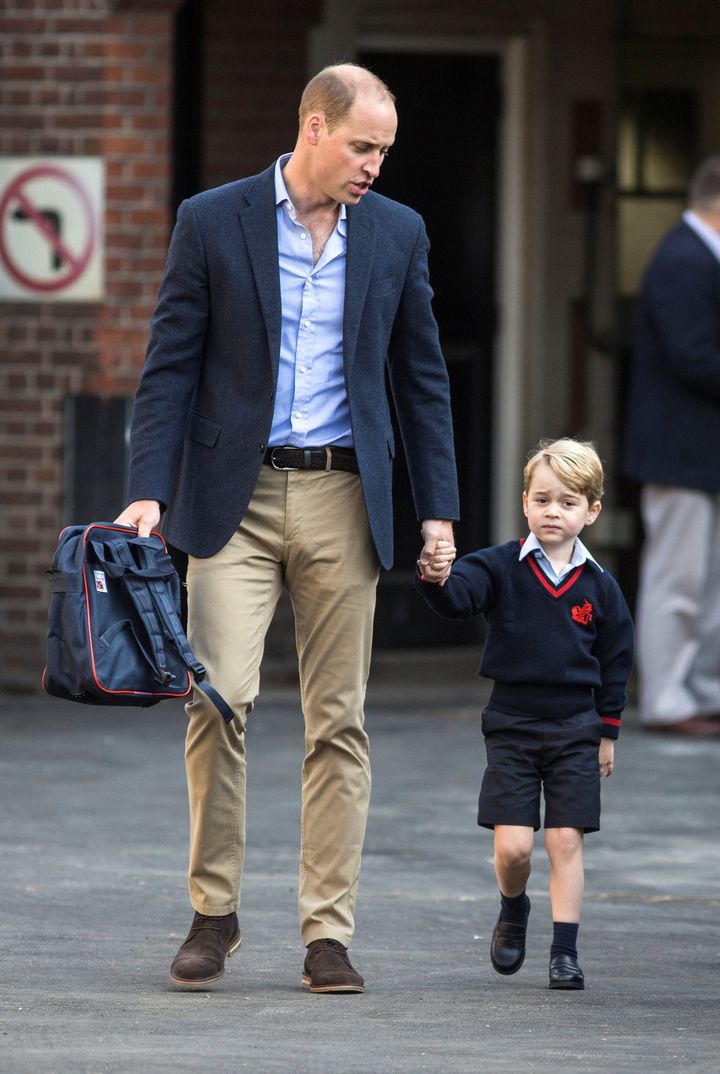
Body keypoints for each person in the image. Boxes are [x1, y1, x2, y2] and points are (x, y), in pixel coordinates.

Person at [115, 63, 459, 992]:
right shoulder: (211, 218)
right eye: (362, 146)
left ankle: (326, 934)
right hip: (234, 498)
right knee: (218, 697)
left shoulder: (397, 233)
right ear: (313, 127)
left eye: (385, 150)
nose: (375, 166)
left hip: (348, 497)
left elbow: (421, 378)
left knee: (338, 721)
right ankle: (214, 913)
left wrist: (438, 509)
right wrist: (148, 488)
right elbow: (169, 367)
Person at [415, 439, 633, 990]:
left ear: (592, 512)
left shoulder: (601, 589)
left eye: (567, 502)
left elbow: (615, 662)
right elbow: (458, 598)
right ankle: (514, 907)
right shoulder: (499, 566)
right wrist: (438, 578)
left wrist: (607, 733)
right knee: (513, 847)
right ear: (524, 503)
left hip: (576, 729)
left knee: (565, 840)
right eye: (542, 500)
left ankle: (565, 953)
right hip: (512, 725)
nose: (553, 512)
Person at [622, 156, 720, 737]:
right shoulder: (685, 258)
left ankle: (701, 691)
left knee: (705, 580)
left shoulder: (696, 255)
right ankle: (666, 697)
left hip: (697, 452)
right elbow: (693, 357)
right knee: (677, 579)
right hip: (679, 451)